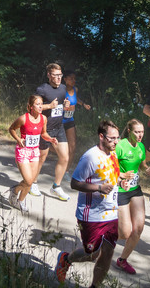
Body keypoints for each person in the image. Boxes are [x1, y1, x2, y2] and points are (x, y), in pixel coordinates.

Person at [54, 120, 121, 286]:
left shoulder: (113, 154)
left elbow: (112, 178)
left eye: (117, 138)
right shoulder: (90, 157)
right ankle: (66, 259)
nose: (116, 142)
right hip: (91, 214)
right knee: (91, 253)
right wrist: (99, 188)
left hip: (111, 213)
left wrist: (121, 181)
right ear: (101, 137)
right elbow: (74, 183)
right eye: (112, 138)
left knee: (108, 253)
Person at [113, 119, 150, 274]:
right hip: (120, 190)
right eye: (137, 132)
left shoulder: (141, 146)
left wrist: (147, 169)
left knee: (138, 229)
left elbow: (141, 165)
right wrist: (122, 175)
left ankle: (122, 260)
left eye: (142, 132)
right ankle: (101, 240)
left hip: (135, 190)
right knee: (124, 232)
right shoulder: (120, 146)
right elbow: (109, 165)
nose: (140, 135)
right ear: (129, 131)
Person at [7, 95, 57, 212]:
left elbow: (43, 133)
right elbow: (11, 129)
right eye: (37, 104)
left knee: (31, 181)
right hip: (23, 151)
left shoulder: (43, 118)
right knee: (28, 180)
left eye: (41, 104)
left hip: (35, 151)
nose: (40, 106)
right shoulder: (23, 119)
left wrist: (50, 139)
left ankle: (20, 201)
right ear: (30, 106)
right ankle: (14, 191)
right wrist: (18, 139)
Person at [33, 63, 71, 201]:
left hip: (58, 127)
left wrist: (65, 106)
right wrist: (49, 106)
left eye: (60, 75)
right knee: (42, 158)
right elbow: (33, 106)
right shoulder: (42, 89)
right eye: (55, 75)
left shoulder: (63, 88)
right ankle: (33, 183)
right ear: (49, 75)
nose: (58, 78)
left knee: (64, 157)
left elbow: (61, 105)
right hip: (45, 128)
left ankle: (56, 186)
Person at [62, 70, 91, 174]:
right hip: (59, 121)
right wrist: (62, 106)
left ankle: (66, 172)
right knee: (56, 146)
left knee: (73, 147)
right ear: (65, 79)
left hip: (69, 120)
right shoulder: (61, 90)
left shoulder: (75, 89)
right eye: (71, 78)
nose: (73, 80)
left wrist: (83, 104)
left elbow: (76, 98)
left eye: (74, 78)